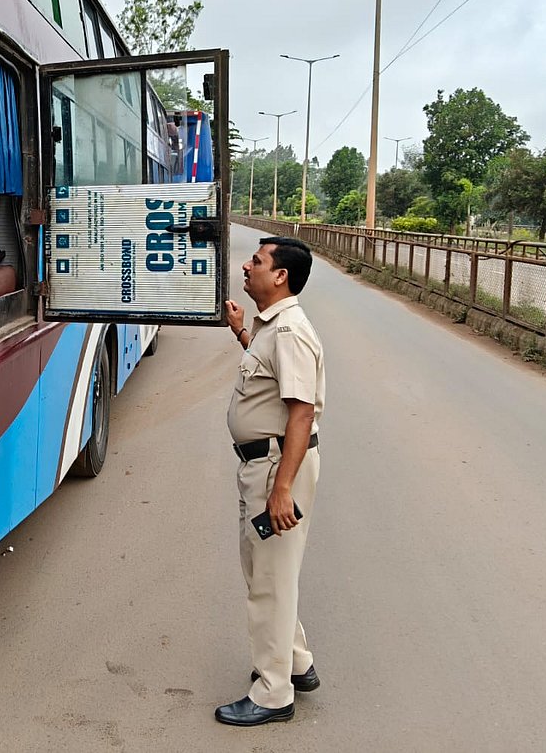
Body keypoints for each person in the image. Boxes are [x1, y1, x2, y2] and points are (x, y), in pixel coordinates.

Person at [215, 236, 325, 728]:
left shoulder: (291, 333)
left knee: (269, 582)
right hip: (263, 467)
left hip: (277, 468)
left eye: (257, 261)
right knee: (267, 574)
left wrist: (282, 489)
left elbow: (301, 413)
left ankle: (273, 692)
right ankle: (296, 663)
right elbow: (269, 380)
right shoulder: (269, 328)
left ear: (280, 276)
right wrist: (241, 332)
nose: (247, 265)